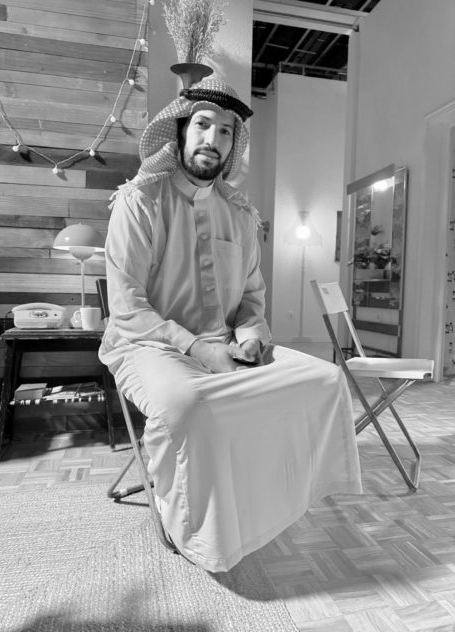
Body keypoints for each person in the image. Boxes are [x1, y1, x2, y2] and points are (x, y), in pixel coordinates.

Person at [99, 77, 362, 572]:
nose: (212, 139)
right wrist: (197, 348)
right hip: (146, 345)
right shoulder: (139, 201)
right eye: (203, 125)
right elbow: (128, 306)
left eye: (225, 131)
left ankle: (273, 501)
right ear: (180, 131)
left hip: (225, 344)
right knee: (187, 404)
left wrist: (251, 338)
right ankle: (191, 525)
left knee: (326, 379)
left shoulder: (240, 215)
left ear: (233, 144)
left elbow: (250, 300)